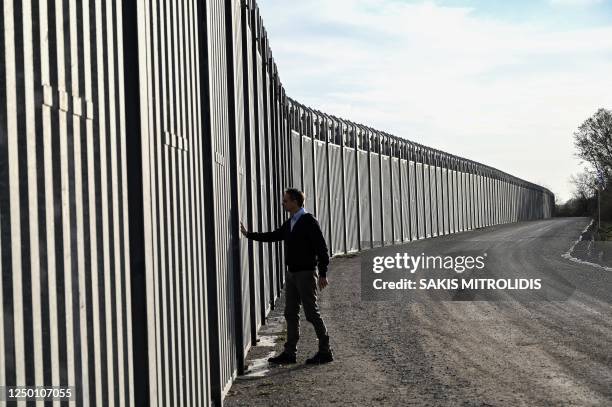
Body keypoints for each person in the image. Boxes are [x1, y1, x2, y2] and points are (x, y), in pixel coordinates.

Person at [240, 188, 333, 365]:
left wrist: (322, 273)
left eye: (285, 201)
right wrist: (249, 235)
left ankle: (325, 350)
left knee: (311, 313)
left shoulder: (308, 221)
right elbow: (274, 235)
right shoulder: (291, 223)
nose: (283, 203)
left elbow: (322, 249)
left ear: (295, 202)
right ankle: (290, 353)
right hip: (292, 274)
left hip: (305, 274)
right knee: (290, 313)